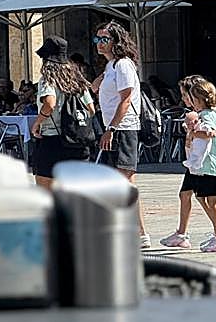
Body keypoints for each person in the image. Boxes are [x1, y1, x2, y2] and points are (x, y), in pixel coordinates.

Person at [160, 75, 216, 252]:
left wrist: (192, 133)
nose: (187, 101)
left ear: (199, 99)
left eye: (190, 98)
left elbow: (211, 133)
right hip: (215, 164)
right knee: (201, 197)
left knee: (211, 200)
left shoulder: (205, 115)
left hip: (210, 165)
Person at [92, 21, 150, 249]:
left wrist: (111, 129)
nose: (100, 43)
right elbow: (100, 90)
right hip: (116, 127)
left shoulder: (124, 65)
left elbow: (126, 99)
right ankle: (137, 232)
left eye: (105, 39)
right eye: (98, 39)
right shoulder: (111, 66)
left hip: (123, 128)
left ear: (116, 41)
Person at [30, 36, 94, 189]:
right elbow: (91, 108)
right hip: (77, 141)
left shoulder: (48, 78)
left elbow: (50, 103)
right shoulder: (77, 79)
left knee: (46, 190)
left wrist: (37, 123)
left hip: (53, 140)